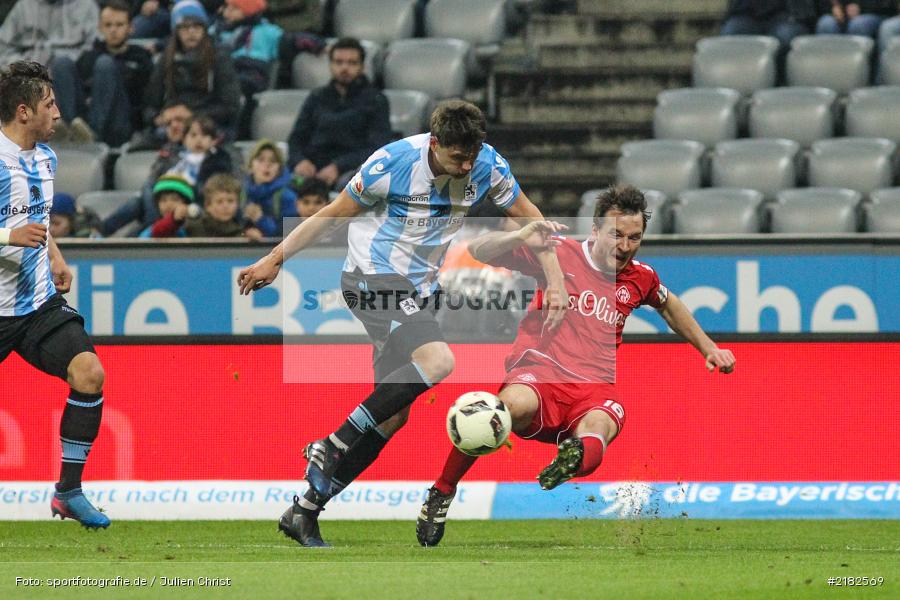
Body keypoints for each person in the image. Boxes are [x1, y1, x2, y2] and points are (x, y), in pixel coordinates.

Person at [237, 100, 568, 547]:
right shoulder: (391, 163)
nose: (466, 165)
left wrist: (556, 282)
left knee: (392, 417)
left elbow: (532, 220)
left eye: (472, 155)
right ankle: (331, 445)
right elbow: (333, 215)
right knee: (438, 361)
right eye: (457, 157)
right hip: (371, 277)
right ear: (435, 144)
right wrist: (274, 259)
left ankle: (304, 512)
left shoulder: (487, 164)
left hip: (420, 289)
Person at [415, 185, 737, 546]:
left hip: (594, 388)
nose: (625, 246)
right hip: (541, 372)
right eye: (617, 234)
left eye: (635, 237)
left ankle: (570, 460)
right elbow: (478, 250)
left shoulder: (640, 277)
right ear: (596, 230)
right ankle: (442, 491)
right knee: (503, 410)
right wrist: (521, 234)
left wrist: (708, 348)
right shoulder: (556, 253)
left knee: (602, 426)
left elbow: (669, 303)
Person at [0, 61, 109, 528]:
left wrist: (53, 254)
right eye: (50, 105)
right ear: (23, 111)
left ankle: (68, 491)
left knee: (89, 373)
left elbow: (36, 217)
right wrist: (8, 238)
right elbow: (17, 227)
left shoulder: (46, 157)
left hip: (36, 303)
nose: (59, 114)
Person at [287, 37, 392, 189]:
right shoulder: (316, 97)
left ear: (362, 67)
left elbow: (377, 147)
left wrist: (338, 167)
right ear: (330, 65)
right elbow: (296, 138)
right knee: (280, 186)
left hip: (350, 170)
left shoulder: (376, 100)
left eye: (352, 63)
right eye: (339, 62)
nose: (344, 68)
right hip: (312, 169)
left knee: (350, 187)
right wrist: (300, 161)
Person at [0, 0, 100, 143]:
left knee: (61, 66)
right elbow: (3, 48)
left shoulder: (85, 6)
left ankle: (69, 129)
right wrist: (27, 66)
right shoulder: (23, 7)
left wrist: (58, 64)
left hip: (72, 75)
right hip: (31, 75)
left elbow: (94, 47)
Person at [144, 0, 242, 139]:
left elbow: (230, 107)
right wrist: (160, 117)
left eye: (196, 26)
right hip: (172, 125)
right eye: (184, 27)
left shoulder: (219, 57)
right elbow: (150, 104)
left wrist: (191, 115)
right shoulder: (166, 58)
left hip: (210, 124)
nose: (191, 32)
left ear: (204, 28)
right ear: (176, 31)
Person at [63, 0, 154, 147]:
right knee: (62, 63)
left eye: (119, 25)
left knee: (105, 64)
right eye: (108, 25)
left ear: (130, 28)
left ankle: (92, 133)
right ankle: (68, 127)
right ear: (100, 28)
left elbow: (146, 99)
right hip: (86, 118)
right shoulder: (89, 57)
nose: (113, 30)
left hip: (123, 122)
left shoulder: (141, 58)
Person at [209, 0, 284, 139]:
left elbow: (292, 40)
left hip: (250, 75)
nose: (227, 13)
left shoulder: (267, 31)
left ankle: (231, 135)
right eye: (227, 8)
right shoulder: (216, 31)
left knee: (237, 90)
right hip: (221, 73)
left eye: (234, 9)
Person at [720, 1, 820, 79]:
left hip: (785, 14)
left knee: (785, 36)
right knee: (730, 33)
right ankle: (738, 83)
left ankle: (782, 84)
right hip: (747, 15)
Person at [242, 140, 297, 237]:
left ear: (279, 169)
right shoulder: (241, 194)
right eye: (261, 159)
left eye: (273, 161)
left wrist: (261, 220)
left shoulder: (288, 197)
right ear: (250, 166)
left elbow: (289, 237)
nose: (267, 165)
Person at [186, 173, 262, 238]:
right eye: (219, 202)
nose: (225, 206)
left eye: (230, 201)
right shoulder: (193, 228)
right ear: (208, 206)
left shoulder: (242, 233)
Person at [815, 1, 897, 39]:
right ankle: (828, 70)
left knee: (858, 24)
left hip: (875, 13)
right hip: (842, 13)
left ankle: (861, 71)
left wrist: (860, 7)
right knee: (826, 24)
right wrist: (833, 8)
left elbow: (888, 5)